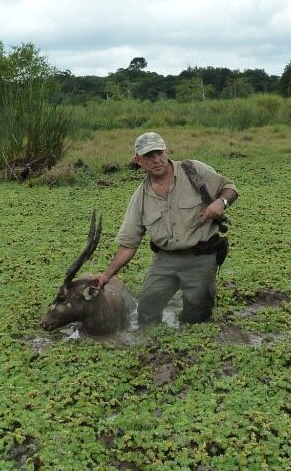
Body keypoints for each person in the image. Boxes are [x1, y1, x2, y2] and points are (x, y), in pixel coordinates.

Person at [95, 132, 238, 326]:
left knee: (197, 316)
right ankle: (154, 346)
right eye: (149, 156)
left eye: (159, 153)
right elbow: (129, 244)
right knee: (146, 310)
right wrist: (107, 274)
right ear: (138, 160)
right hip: (166, 260)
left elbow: (230, 187)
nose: (156, 160)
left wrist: (221, 202)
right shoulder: (140, 198)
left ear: (166, 151)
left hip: (201, 257)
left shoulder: (194, 171)